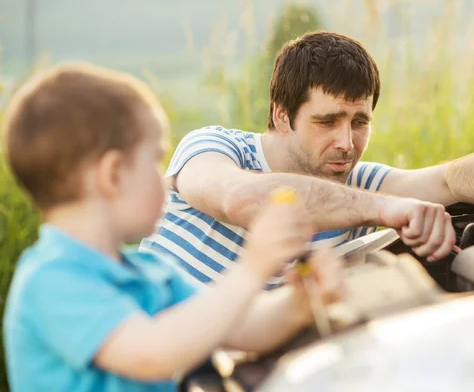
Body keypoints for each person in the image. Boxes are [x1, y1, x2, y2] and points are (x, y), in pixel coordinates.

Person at [2, 63, 345, 392]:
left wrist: (301, 301)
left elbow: (243, 327)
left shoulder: (149, 271)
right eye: (155, 159)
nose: (165, 176)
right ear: (113, 174)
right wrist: (253, 267)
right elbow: (153, 353)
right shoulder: (52, 280)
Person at [141, 31, 474, 286]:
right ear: (281, 115)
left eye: (359, 122)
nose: (346, 142)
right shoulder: (213, 147)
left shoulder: (354, 184)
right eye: (328, 121)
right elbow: (241, 200)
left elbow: (455, 178)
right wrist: (386, 208)